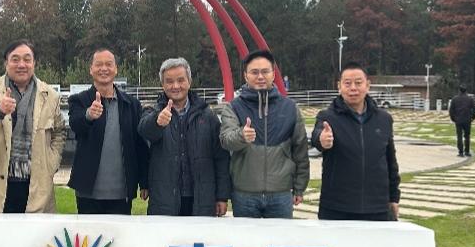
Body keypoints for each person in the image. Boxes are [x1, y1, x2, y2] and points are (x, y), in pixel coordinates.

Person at [0, 40, 67, 214]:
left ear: (34, 63)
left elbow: (59, 132)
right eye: (15, 59)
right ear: (6, 63)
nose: (21, 65)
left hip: (35, 182)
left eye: (27, 59)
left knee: (33, 231)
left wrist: (52, 162)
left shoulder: (50, 95)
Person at [219, 49, 309, 218]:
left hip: (281, 193)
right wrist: (241, 136)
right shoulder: (234, 107)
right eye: (254, 72)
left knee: (280, 236)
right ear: (246, 76)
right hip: (244, 194)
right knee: (246, 237)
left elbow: (300, 150)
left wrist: (299, 187)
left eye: (265, 71)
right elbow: (225, 139)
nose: (260, 76)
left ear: (273, 74)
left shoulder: (289, 108)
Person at [138, 57, 230, 217]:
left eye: (180, 80)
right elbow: (144, 131)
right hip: (164, 200)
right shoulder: (153, 111)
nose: (175, 86)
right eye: (169, 81)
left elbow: (220, 157)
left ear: (189, 82)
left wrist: (222, 196)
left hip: (201, 200)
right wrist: (157, 122)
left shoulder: (207, 116)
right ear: (162, 84)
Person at [311, 62, 400, 221]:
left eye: (358, 83)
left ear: (368, 85)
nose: (353, 88)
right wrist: (321, 140)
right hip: (337, 207)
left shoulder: (384, 119)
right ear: (339, 87)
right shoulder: (327, 117)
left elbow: (390, 161)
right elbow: (316, 136)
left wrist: (394, 197)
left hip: (377, 206)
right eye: (347, 83)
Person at [67, 49, 150, 214]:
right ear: (91, 69)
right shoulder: (79, 100)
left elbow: (140, 145)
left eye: (108, 64)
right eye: (99, 64)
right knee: (88, 232)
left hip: (122, 192)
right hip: (88, 192)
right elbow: (75, 124)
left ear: (116, 69)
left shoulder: (131, 105)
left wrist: (144, 181)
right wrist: (88, 115)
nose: (104, 68)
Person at [448, 85, 475, 157]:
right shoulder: (470, 99)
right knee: (467, 136)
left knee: (459, 136)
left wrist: (453, 118)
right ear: (466, 91)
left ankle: (460, 152)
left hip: (458, 119)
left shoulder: (455, 99)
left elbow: (451, 110)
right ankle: (467, 151)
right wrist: (473, 117)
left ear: (459, 90)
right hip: (467, 119)